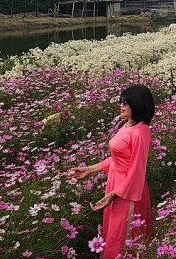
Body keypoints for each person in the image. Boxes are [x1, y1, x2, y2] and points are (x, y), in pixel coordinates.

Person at [69, 85, 154, 259]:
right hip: (116, 185)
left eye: (125, 103)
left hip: (128, 190)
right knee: (113, 232)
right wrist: (90, 169)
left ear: (137, 105)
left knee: (123, 237)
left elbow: (137, 169)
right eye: (121, 101)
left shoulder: (140, 132)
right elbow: (119, 159)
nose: (121, 105)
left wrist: (115, 194)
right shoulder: (128, 125)